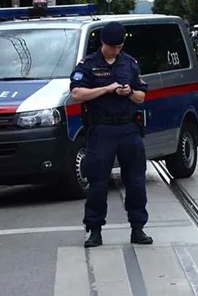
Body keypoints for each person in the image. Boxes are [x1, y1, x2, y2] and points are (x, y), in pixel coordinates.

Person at [69, 21, 153, 248]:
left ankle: (138, 228)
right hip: (102, 129)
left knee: (136, 181)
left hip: (128, 128)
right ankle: (94, 230)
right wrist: (106, 89)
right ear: (103, 43)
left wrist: (129, 92)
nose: (116, 50)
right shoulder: (88, 64)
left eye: (119, 46)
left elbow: (141, 97)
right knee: (97, 182)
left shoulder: (130, 63)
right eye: (112, 46)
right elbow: (77, 93)